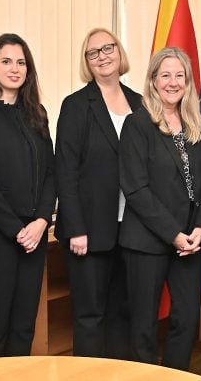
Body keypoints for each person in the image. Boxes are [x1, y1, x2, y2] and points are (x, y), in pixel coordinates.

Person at [118, 46, 201, 370]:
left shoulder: (194, 125)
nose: (173, 82)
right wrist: (173, 234)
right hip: (147, 241)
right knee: (143, 326)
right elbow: (136, 189)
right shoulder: (138, 123)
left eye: (179, 76)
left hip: (190, 242)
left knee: (186, 319)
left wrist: (200, 228)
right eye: (165, 75)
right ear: (153, 80)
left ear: (187, 82)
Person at [0, 33, 56, 357]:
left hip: (35, 234)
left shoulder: (37, 112)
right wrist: (17, 229)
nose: (14, 69)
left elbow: (51, 173)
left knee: (24, 326)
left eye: (21, 62)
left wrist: (42, 221)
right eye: (6, 61)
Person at [55, 28, 142, 357]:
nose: (103, 56)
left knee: (123, 313)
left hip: (132, 229)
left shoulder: (140, 103)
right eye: (93, 52)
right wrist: (76, 228)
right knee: (90, 315)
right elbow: (65, 171)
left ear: (119, 52)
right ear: (87, 61)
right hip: (89, 231)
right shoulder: (76, 105)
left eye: (108, 48)